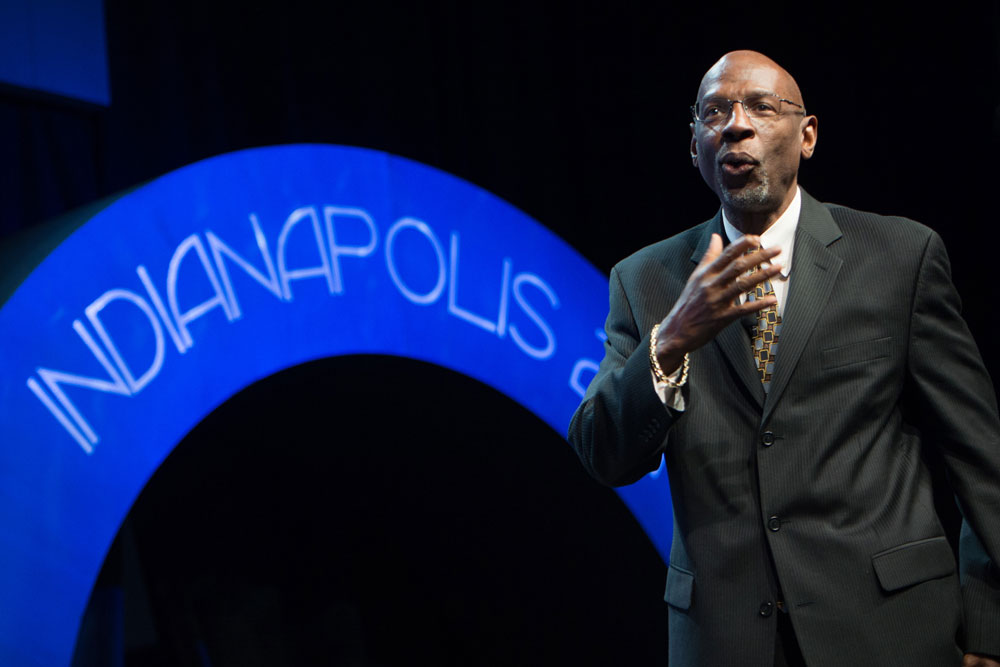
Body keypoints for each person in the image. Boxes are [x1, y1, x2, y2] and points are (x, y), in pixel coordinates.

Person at [567, 50, 1000, 667]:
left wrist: (988, 626)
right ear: (695, 146)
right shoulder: (645, 281)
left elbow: (981, 457)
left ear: (808, 135)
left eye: (762, 108)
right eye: (714, 113)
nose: (735, 125)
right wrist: (671, 341)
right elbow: (602, 454)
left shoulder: (900, 257)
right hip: (726, 639)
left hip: (890, 632)